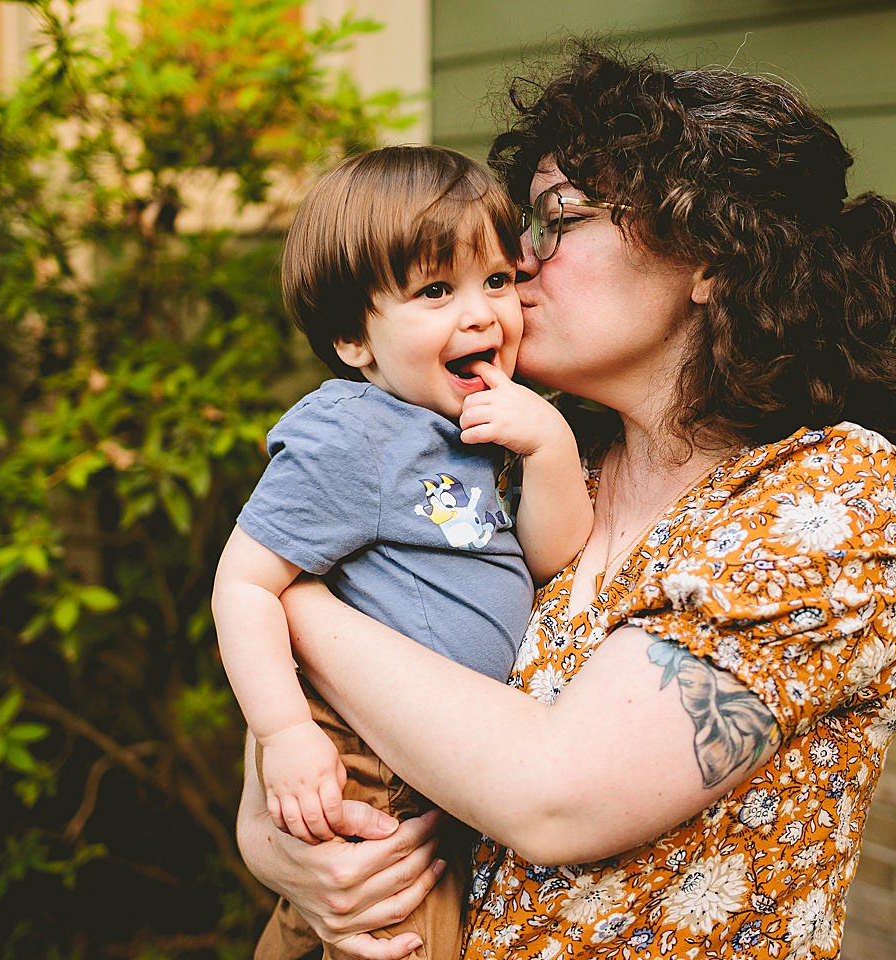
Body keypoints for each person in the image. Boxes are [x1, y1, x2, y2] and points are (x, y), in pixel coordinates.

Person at [237, 47, 896, 960]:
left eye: (557, 222)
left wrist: (289, 597)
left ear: (710, 256)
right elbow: (304, 744)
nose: (513, 265)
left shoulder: (827, 494)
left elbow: (555, 795)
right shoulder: (530, 475)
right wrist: (286, 859)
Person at [213, 145, 593, 960]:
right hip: (370, 769)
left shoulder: (475, 424)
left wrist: (551, 452)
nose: (483, 314)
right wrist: (282, 733)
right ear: (356, 336)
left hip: (439, 770)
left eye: (496, 280)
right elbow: (244, 583)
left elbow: (549, 559)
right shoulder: (350, 431)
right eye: (434, 291)